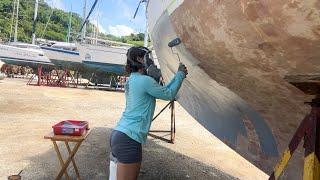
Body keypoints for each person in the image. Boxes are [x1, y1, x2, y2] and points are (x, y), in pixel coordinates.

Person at [109, 46, 188, 180]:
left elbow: (162, 91)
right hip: (129, 139)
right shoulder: (145, 81)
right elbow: (169, 94)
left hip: (119, 135)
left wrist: (176, 76)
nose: (151, 61)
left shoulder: (133, 79)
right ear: (140, 59)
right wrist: (180, 75)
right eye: (148, 57)